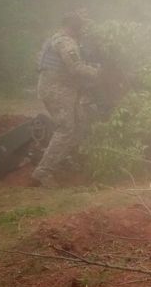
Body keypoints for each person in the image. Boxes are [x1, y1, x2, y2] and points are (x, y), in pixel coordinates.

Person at [31, 11, 100, 187]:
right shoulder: (65, 42)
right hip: (57, 91)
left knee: (80, 125)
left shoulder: (59, 39)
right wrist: (100, 73)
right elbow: (76, 67)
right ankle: (43, 172)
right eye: (81, 26)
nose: (83, 29)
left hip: (62, 89)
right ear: (73, 26)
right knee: (66, 128)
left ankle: (62, 161)